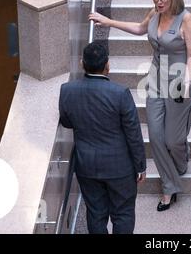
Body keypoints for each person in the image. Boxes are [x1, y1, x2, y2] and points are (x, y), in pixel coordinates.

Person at [89, 0, 191, 211]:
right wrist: (108, 22)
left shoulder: (186, 19)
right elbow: (140, 28)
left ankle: (182, 154)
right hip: (156, 79)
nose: (159, 2)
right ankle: (169, 188)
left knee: (174, 140)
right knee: (157, 136)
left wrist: (188, 80)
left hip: (179, 80)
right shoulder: (155, 13)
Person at [59, 42, 146, 234]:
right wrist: (140, 165)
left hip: (87, 165)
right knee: (123, 213)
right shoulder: (120, 93)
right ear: (107, 65)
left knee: (96, 213)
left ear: (82, 64)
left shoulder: (67, 90)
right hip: (120, 167)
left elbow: (66, 121)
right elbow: (133, 133)